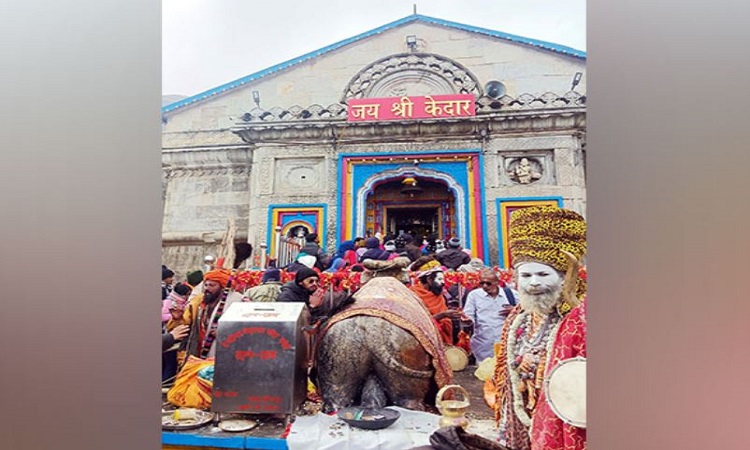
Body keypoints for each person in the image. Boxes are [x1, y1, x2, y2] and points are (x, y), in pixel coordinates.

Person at [492, 206, 587, 450]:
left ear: (565, 277)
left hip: (566, 414)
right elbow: (506, 365)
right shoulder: (517, 317)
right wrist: (522, 363)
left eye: (543, 274)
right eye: (526, 275)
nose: (533, 283)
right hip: (524, 401)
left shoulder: (580, 318)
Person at [167, 268, 243, 360]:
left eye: (212, 285)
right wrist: (177, 319)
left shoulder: (239, 301)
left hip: (226, 354)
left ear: (223, 287)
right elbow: (180, 330)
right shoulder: (197, 302)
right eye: (206, 285)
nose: (207, 288)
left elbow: (246, 330)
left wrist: (225, 333)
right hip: (198, 355)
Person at [463, 269, 517, 363]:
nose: (484, 286)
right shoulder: (474, 295)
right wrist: (467, 320)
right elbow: (468, 315)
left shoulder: (511, 295)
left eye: (488, 283)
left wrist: (514, 311)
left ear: (497, 282)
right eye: (482, 283)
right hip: (483, 345)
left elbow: (527, 312)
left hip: (507, 344)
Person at [409, 256, 463, 345]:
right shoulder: (412, 294)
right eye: (439, 279)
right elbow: (416, 323)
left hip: (443, 340)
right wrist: (442, 315)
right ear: (429, 280)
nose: (443, 283)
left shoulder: (438, 293)